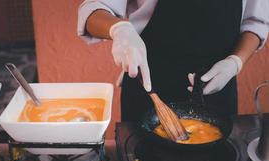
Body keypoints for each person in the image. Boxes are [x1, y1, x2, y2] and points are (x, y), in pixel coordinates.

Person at [78, 0, 269, 121]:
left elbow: (255, 23)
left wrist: (235, 62)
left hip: (218, 86)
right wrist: (119, 30)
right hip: (148, 86)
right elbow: (92, 10)